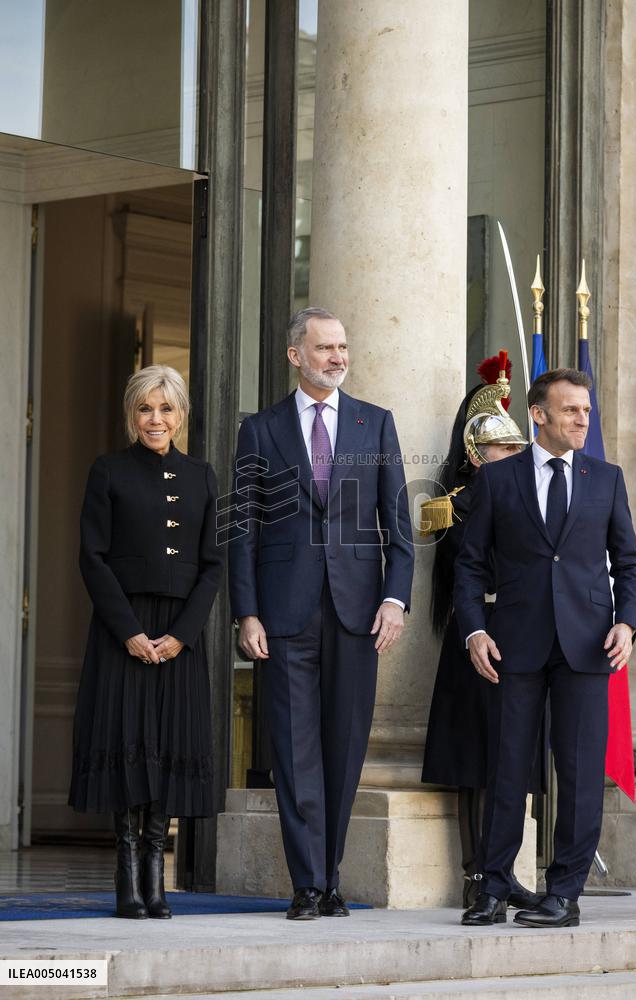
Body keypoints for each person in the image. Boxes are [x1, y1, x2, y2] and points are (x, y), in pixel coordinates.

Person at [228, 307, 414, 920]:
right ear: (295, 356)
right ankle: (308, 884)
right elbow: (243, 531)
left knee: (344, 749)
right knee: (294, 750)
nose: (337, 357)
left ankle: (330, 877)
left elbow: (399, 525)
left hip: (358, 613)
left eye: (342, 347)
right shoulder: (260, 430)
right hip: (284, 615)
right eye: (325, 347)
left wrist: (395, 598)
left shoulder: (375, 423)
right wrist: (247, 612)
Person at [456, 368, 636, 928]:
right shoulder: (498, 479)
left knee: (581, 773)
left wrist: (627, 625)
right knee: (507, 768)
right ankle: (493, 888)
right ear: (538, 415)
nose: (582, 420)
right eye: (570, 410)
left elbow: (630, 565)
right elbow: (469, 566)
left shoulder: (606, 478)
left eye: (586, 410)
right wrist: (475, 630)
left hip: (589, 647)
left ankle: (564, 893)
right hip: (513, 645)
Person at [69, 365, 223, 920]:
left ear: (181, 416)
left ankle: (157, 871)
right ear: (131, 415)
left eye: (166, 409)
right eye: (145, 409)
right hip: (124, 630)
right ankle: (127, 871)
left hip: (179, 634)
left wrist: (182, 636)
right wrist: (129, 632)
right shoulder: (108, 470)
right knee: (128, 742)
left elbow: (214, 564)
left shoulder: (202, 475)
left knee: (169, 745)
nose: (155, 419)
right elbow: (92, 558)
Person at [421, 355, 544, 912]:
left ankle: (505, 871)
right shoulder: (451, 507)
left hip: (522, 633)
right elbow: (466, 568)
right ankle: (477, 874)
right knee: (475, 760)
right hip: (477, 633)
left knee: (513, 759)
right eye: (503, 449)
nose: (515, 456)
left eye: (519, 449)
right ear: (476, 452)